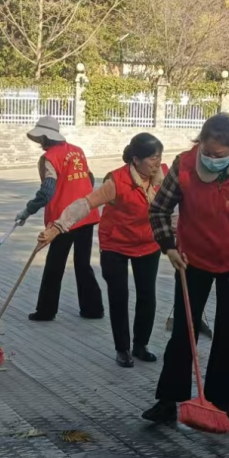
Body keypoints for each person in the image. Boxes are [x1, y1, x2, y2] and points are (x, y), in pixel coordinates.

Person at [142, 114, 229, 424]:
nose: (211, 159)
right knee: (184, 331)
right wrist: (168, 246)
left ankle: (220, 401)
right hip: (193, 262)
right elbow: (160, 209)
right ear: (200, 143)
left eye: (219, 155)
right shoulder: (185, 164)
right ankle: (169, 400)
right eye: (207, 152)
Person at [38, 133, 167, 368]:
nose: (157, 163)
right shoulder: (117, 181)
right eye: (152, 158)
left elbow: (176, 207)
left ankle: (141, 345)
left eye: (159, 157)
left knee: (147, 295)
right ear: (136, 159)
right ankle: (123, 349)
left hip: (148, 243)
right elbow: (85, 204)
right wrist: (58, 226)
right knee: (119, 295)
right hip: (115, 243)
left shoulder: (162, 176)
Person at [16, 116, 104, 322]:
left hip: (63, 219)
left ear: (44, 137)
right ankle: (93, 309)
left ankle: (46, 311)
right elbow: (89, 178)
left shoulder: (50, 158)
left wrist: (27, 211)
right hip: (86, 213)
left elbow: (47, 192)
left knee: (55, 264)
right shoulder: (77, 150)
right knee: (82, 263)